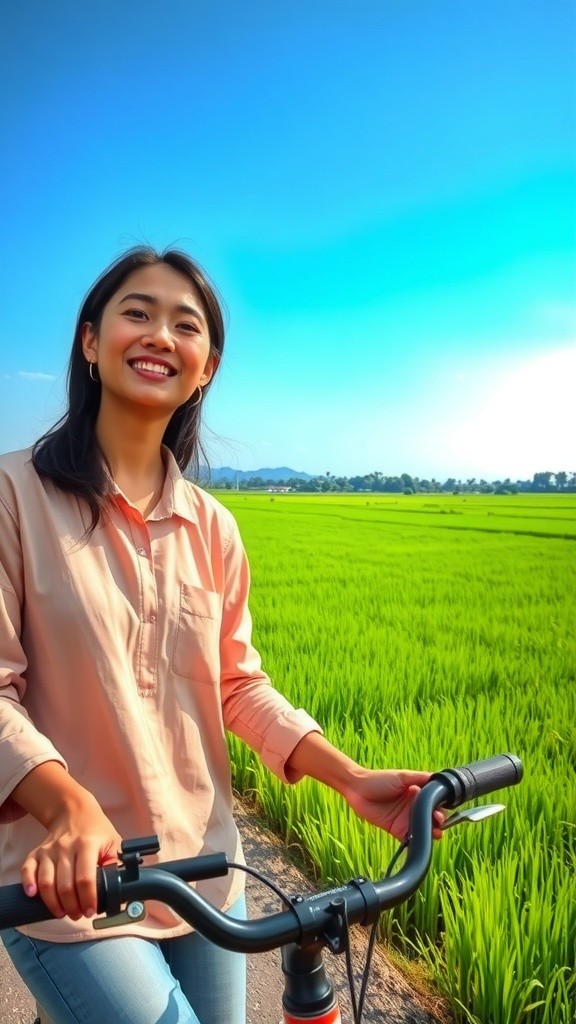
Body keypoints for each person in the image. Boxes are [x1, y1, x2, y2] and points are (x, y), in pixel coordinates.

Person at [0, 246, 442, 1024]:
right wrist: (67, 804)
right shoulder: (12, 496)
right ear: (90, 340)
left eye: (186, 324)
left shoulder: (214, 528)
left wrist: (350, 777)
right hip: (74, 887)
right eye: (137, 313)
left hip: (205, 875)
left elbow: (238, 683)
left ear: (205, 367)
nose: (160, 335)